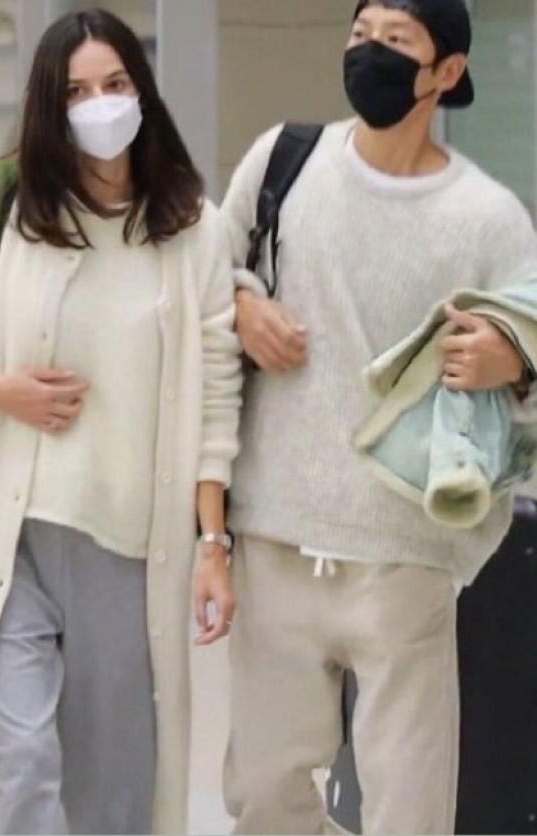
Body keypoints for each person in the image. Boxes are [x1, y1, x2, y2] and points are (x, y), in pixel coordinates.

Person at [0, 8, 241, 835]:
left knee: (113, 784)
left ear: (143, 91)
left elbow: (217, 392)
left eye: (115, 84)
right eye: (77, 92)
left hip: (127, 544)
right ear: (48, 107)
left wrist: (212, 542)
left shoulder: (192, 225)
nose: (100, 105)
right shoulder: (3, 201)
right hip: (6, 533)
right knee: (23, 761)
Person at [220, 0, 537, 833]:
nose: (369, 54)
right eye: (360, 35)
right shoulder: (283, 162)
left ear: (447, 72)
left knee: (409, 808)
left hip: (407, 555)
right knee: (265, 796)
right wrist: (241, 306)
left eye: (397, 41)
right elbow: (200, 281)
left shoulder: (487, 217)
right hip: (275, 537)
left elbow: (531, 335)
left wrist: (511, 360)